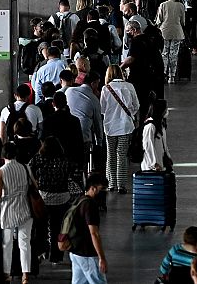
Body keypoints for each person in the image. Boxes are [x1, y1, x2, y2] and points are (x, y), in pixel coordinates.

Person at [0, 142, 34, 284]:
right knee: (25, 243)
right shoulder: (25, 167)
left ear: (3, 155)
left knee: (7, 243)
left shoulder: (0, 172)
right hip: (24, 207)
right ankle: (25, 275)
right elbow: (34, 185)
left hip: (7, 209)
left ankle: (6, 274)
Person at [28, 136, 72, 265]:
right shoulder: (64, 160)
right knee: (57, 228)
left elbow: (29, 172)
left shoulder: (38, 158)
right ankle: (56, 256)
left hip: (44, 198)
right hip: (62, 198)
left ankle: (41, 251)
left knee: (40, 227)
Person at [100, 65, 140, 193]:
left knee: (110, 155)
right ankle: (121, 185)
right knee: (122, 155)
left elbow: (102, 109)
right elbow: (136, 105)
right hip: (125, 126)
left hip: (110, 126)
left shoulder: (106, 89)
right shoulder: (129, 86)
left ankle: (111, 184)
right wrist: (130, 114)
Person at [68, 172, 109, 284]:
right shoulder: (90, 205)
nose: (104, 192)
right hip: (88, 254)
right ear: (93, 188)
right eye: (102, 189)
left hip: (75, 252)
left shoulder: (79, 200)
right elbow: (94, 233)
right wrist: (102, 257)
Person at [155, 0, 187, 83]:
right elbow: (183, 22)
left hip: (164, 32)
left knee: (164, 54)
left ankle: (164, 74)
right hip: (177, 32)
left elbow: (159, 20)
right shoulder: (181, 5)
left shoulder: (163, 5)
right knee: (174, 54)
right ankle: (172, 76)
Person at [140, 99, 171, 172]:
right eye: (165, 108)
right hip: (151, 167)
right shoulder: (150, 126)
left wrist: (168, 158)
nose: (167, 111)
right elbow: (148, 146)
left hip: (160, 164)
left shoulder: (160, 125)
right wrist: (154, 164)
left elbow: (164, 145)